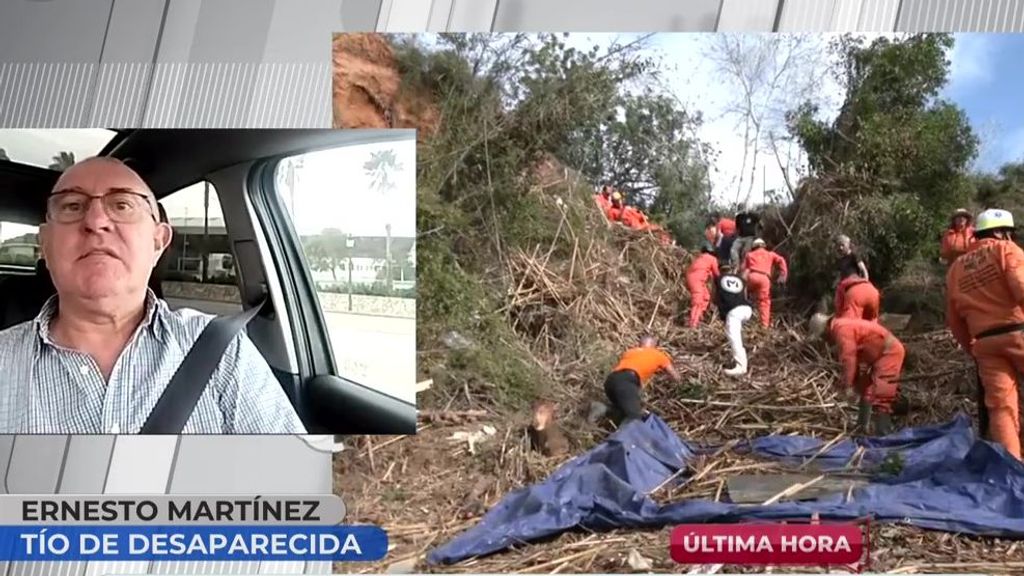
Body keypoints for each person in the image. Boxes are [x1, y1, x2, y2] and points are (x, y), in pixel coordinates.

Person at [0, 157, 306, 434]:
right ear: (46, 244)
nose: (95, 222)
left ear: (158, 242)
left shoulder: (223, 352)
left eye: (122, 205)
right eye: (72, 206)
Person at [946, 208, 1024, 459]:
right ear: (1002, 232)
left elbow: (955, 320)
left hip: (985, 344)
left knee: (1001, 408)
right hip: (1018, 332)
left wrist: (974, 348)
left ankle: (1012, 468)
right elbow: (1021, 287)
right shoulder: (1006, 250)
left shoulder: (956, 269)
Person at [808, 313, 905, 435]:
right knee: (865, 389)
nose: (825, 340)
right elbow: (858, 357)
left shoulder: (842, 330)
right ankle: (861, 428)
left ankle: (884, 433)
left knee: (881, 394)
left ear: (826, 328)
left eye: (822, 336)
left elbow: (849, 358)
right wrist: (855, 384)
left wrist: (848, 386)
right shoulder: (843, 325)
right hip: (874, 354)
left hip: (889, 352)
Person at [603, 335, 680, 424]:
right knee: (634, 417)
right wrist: (680, 383)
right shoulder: (658, 354)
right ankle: (627, 437)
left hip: (611, 381)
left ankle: (602, 408)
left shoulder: (630, 352)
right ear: (654, 345)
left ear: (640, 344)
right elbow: (673, 374)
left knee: (622, 411)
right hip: (627, 381)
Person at [715, 265, 753, 376]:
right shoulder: (740, 279)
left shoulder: (718, 279)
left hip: (734, 312)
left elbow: (715, 297)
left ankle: (741, 366)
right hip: (747, 309)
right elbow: (745, 295)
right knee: (736, 333)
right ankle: (742, 358)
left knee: (734, 337)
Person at [740, 238, 788, 328]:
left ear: (754, 247)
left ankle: (744, 319)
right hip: (764, 279)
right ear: (764, 246)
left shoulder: (749, 254)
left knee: (745, 297)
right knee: (764, 302)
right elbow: (781, 260)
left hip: (752, 277)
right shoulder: (770, 254)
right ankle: (764, 325)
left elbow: (743, 268)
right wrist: (783, 274)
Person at [685, 241, 720, 327]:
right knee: (698, 301)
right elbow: (716, 273)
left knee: (706, 296)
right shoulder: (712, 259)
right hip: (698, 280)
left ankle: (699, 315)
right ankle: (693, 323)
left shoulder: (699, 258)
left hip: (691, 279)